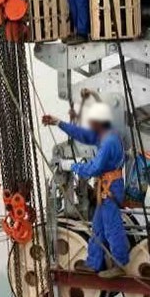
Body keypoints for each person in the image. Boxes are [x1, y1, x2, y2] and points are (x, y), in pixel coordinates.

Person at [42, 102, 130, 278]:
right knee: (98, 226)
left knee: (112, 227)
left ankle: (120, 264)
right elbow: (83, 135)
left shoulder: (109, 142)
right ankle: (93, 263)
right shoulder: (104, 135)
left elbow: (94, 168)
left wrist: (71, 166)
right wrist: (59, 123)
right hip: (107, 187)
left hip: (111, 188)